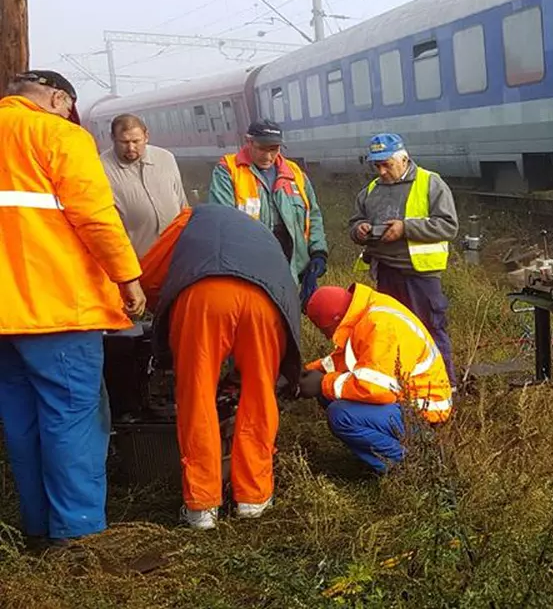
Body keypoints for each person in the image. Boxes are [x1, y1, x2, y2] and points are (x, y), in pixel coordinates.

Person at [0, 70, 146, 545]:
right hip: (57, 308)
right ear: (59, 98)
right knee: (73, 419)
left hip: (5, 319)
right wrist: (128, 277)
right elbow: (95, 215)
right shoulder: (59, 134)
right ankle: (78, 536)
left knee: (22, 421)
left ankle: (38, 528)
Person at [138, 204, 303, 530]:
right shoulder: (258, 229)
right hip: (265, 302)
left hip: (203, 297)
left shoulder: (189, 217)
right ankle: (253, 499)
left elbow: (149, 273)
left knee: (196, 397)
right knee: (258, 395)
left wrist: (160, 316)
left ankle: (202, 507)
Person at [298, 283, 453, 473]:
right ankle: (381, 454)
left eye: (324, 331)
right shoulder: (364, 312)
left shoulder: (381, 326)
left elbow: (378, 390)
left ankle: (411, 465)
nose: (325, 336)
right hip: (407, 400)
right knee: (330, 394)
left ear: (335, 322)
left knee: (341, 415)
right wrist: (305, 373)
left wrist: (323, 383)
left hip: (424, 412)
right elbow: (347, 358)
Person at [349, 133, 458, 385]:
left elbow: (448, 226)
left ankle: (445, 387)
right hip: (386, 272)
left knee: (430, 331)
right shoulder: (370, 191)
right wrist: (360, 230)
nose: (382, 171)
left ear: (404, 159)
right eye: (377, 165)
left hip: (420, 274)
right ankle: (407, 386)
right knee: (394, 332)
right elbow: (354, 223)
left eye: (387, 164)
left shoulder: (431, 183)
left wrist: (405, 229)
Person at [208, 119, 328, 303]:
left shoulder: (294, 173)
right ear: (249, 142)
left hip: (291, 265)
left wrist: (318, 253)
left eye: (274, 149)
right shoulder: (228, 171)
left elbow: (312, 214)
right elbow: (222, 221)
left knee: (288, 320)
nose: (268, 156)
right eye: (262, 148)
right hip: (249, 269)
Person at [100, 113, 190, 257]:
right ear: (113, 139)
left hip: (176, 255)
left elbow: (182, 202)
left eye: (136, 141)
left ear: (146, 136)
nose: (131, 148)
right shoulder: (100, 168)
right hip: (137, 262)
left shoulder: (166, 158)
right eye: (124, 142)